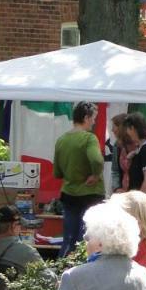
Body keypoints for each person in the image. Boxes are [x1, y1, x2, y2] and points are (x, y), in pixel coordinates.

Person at [53, 102, 105, 258]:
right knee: (87, 238)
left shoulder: (61, 140)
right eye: (93, 118)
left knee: (68, 238)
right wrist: (95, 175)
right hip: (90, 195)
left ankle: (62, 269)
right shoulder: (89, 138)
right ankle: (84, 270)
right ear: (86, 117)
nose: (94, 122)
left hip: (68, 194)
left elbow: (57, 173)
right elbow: (96, 160)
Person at [106, 112, 130, 193]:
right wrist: (117, 188)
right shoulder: (117, 145)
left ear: (121, 127)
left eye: (114, 126)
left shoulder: (137, 144)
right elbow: (115, 170)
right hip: (122, 191)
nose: (112, 130)